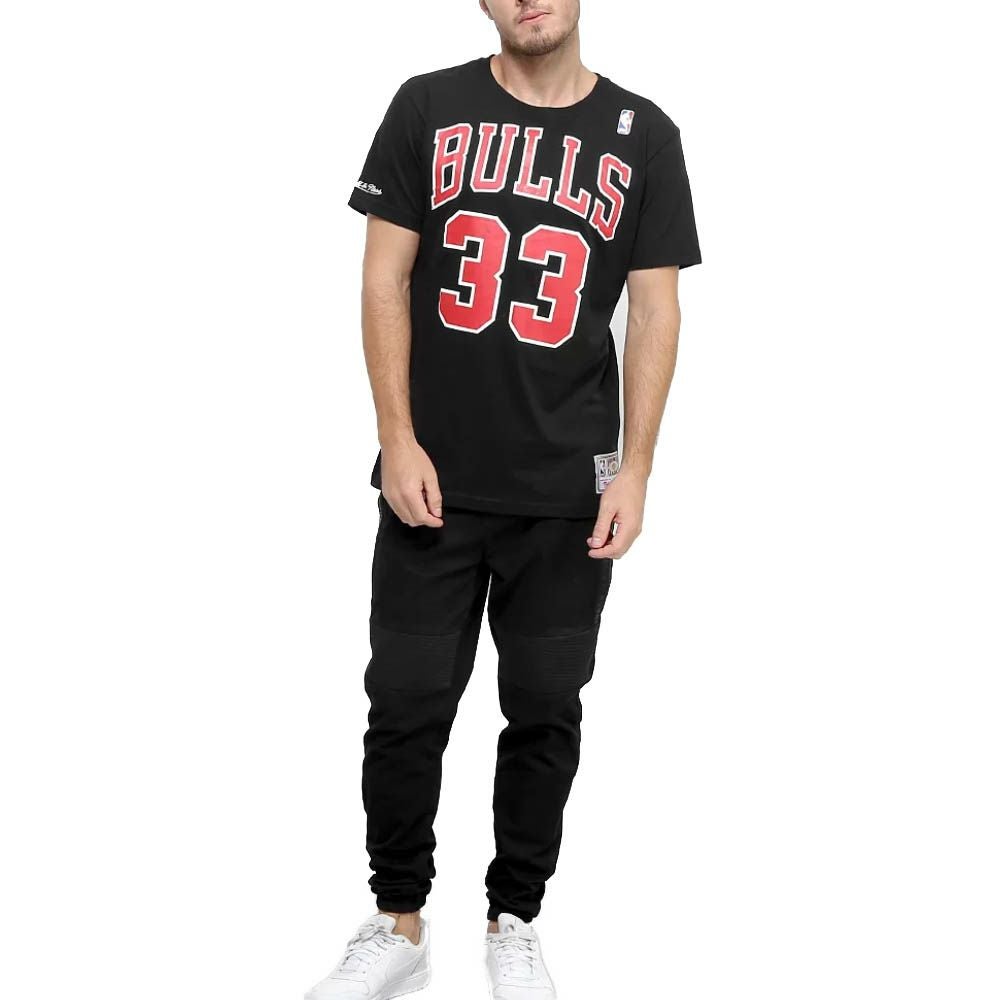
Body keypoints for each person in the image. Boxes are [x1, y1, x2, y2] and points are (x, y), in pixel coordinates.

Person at [306, 1, 700, 997]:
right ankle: (399, 919)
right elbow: (383, 279)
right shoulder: (426, 106)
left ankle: (514, 917)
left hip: (568, 491)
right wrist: (396, 436)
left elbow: (655, 308)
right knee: (404, 704)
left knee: (544, 708)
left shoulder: (645, 134)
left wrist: (637, 467)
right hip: (432, 481)